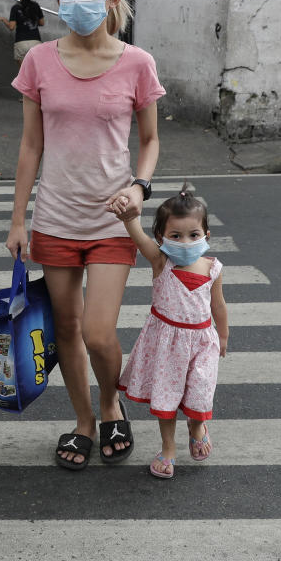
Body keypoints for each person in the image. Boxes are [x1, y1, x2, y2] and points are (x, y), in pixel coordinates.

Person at [5, 0, 165, 470]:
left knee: (99, 333)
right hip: (54, 218)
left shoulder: (138, 64)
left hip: (112, 220)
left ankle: (110, 400)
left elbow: (149, 141)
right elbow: (31, 146)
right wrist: (17, 220)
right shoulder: (39, 61)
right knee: (67, 330)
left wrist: (140, 188)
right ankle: (83, 421)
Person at [109, 187, 229, 478]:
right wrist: (129, 216)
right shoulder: (161, 261)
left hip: (201, 342)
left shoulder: (213, 269)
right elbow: (137, 235)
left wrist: (223, 335)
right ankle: (168, 447)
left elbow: (219, 305)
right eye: (175, 236)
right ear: (161, 238)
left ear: (206, 236)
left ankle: (197, 426)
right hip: (166, 344)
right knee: (166, 399)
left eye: (193, 234)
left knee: (199, 394)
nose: (185, 242)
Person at [0, 0, 45, 71]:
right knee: (35, 72)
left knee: (24, 73)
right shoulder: (35, 6)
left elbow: (11, 27)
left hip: (21, 42)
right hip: (35, 42)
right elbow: (42, 23)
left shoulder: (15, 8)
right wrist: (32, 21)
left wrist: (4, 20)